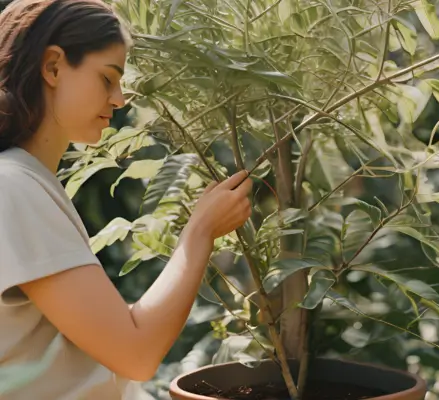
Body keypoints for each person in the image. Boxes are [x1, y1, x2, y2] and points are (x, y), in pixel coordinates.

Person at [0, 0, 253, 398]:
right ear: (52, 67)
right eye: (107, 78)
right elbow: (136, 353)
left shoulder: (26, 181)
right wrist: (201, 230)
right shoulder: (14, 187)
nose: (119, 99)